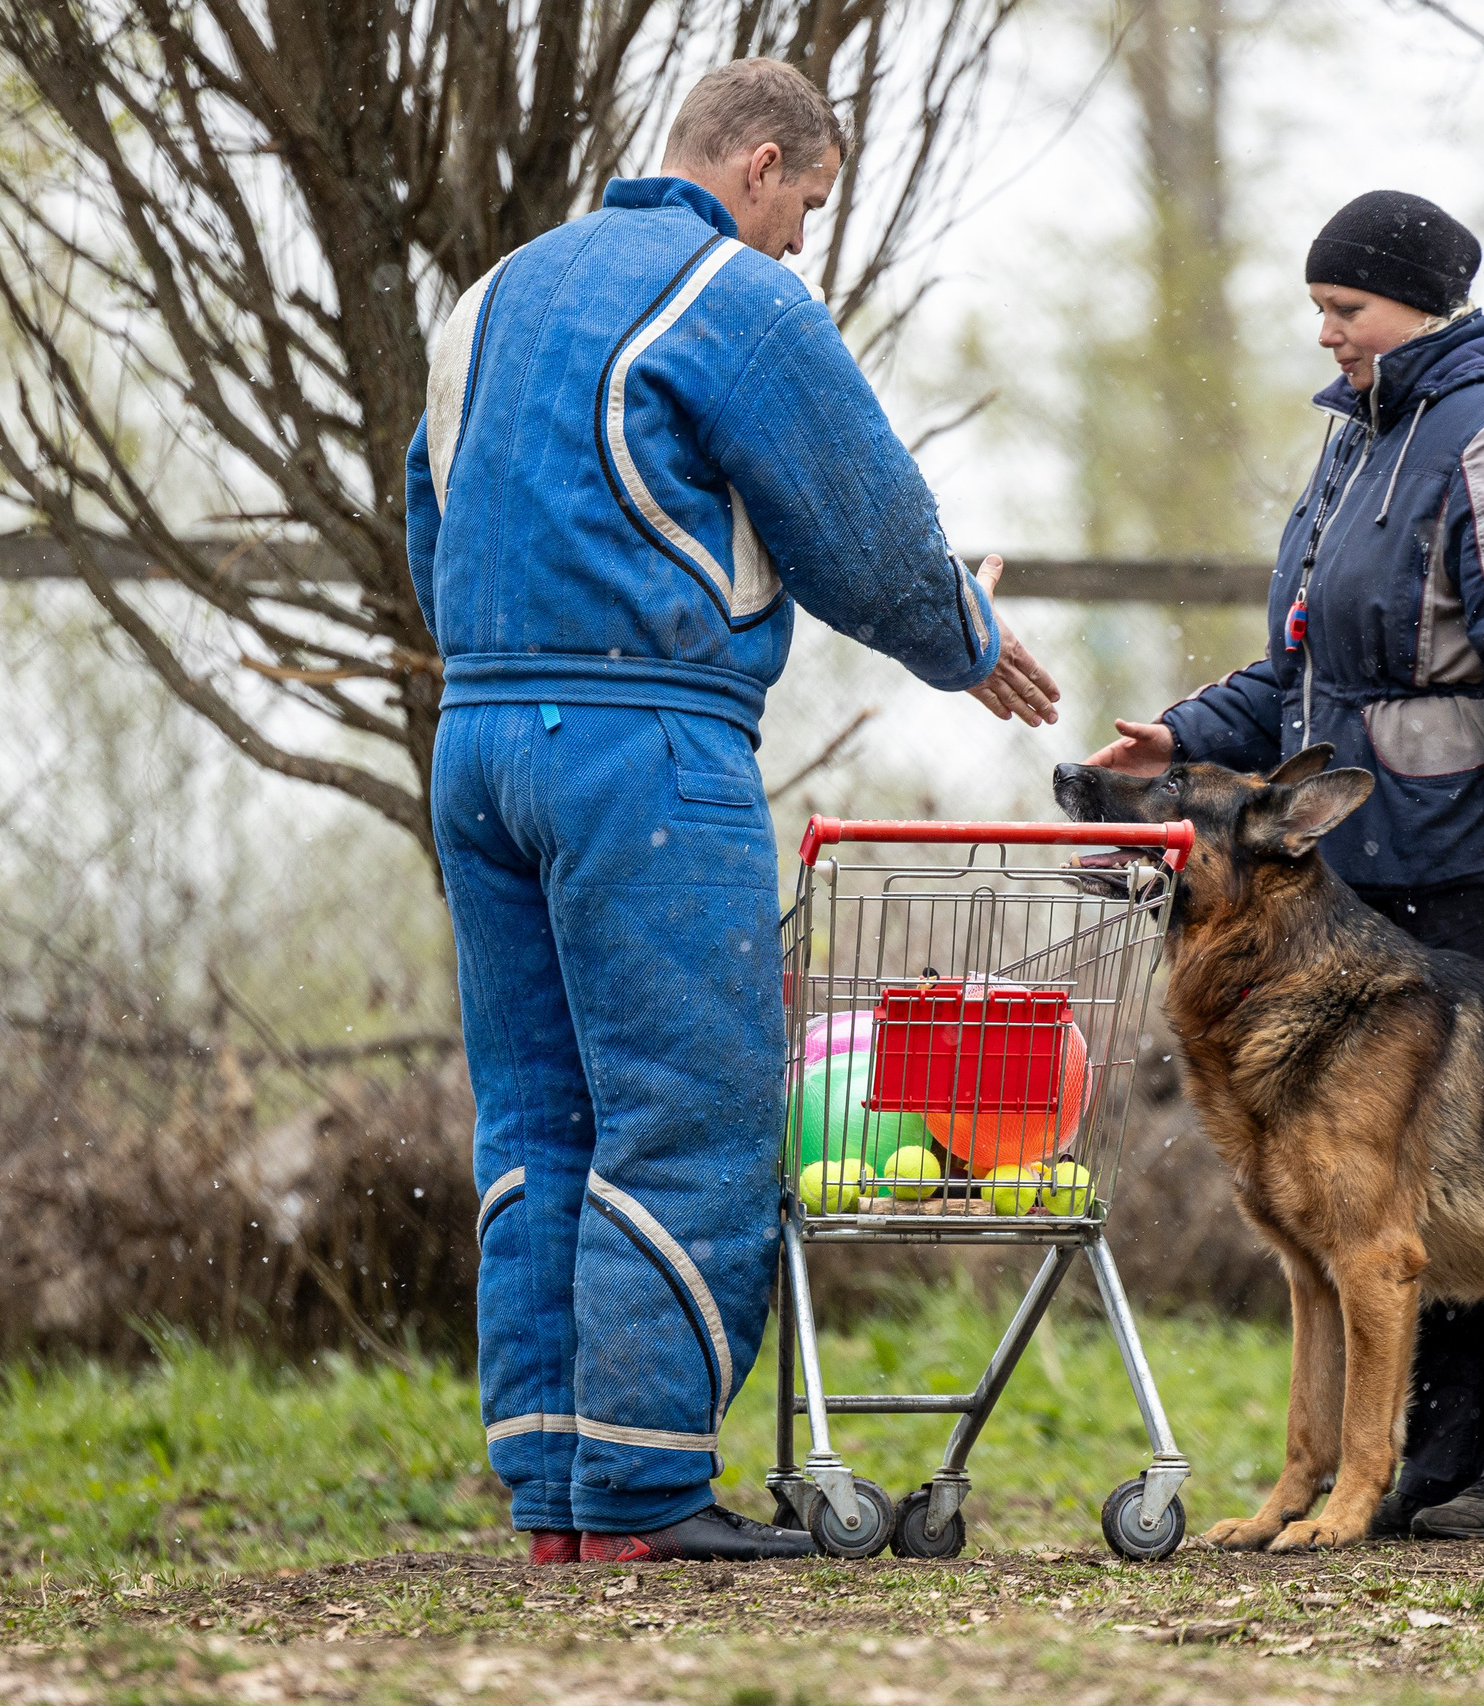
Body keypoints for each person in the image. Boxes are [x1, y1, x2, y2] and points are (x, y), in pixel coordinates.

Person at [405, 58, 1060, 1565]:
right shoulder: (733, 297)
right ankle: (645, 1489)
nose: (802, 243)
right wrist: (963, 636)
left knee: (536, 1110)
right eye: (808, 206)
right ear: (761, 165)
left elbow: (430, 507)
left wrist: (506, 659)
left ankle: (559, 1488)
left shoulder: (489, 298)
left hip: (480, 738)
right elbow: (861, 515)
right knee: (686, 1105)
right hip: (643, 744)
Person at [1086, 190, 1484, 1540]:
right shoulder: (1358, 446)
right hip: (1367, 867)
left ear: (1423, 306)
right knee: (1392, 1188)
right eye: (1320, 309)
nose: (1326, 333)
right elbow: (1303, 665)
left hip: (1483, 854)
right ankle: (1429, 1461)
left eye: (1347, 310)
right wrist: (1185, 734)